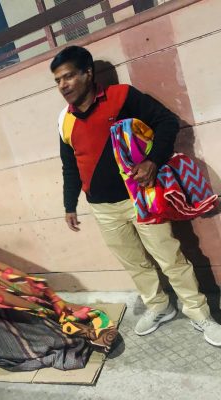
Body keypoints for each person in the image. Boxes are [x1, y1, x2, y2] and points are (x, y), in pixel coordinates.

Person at [50, 45, 221, 346]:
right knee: (135, 264)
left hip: (141, 198)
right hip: (102, 208)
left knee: (170, 258)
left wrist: (153, 160)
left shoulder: (122, 97)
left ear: (88, 73)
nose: (63, 85)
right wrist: (69, 204)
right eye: (58, 80)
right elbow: (70, 165)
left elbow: (167, 121)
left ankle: (199, 313)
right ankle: (159, 307)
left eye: (68, 76)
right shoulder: (65, 120)